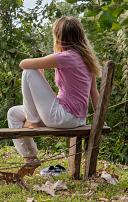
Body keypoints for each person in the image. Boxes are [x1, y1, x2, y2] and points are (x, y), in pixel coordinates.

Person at [7, 16, 101, 169]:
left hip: (62, 116)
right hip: (77, 119)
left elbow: (23, 64)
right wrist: (100, 119)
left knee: (28, 72)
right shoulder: (86, 58)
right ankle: (30, 159)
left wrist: (39, 69)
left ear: (59, 37)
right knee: (13, 113)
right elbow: (94, 92)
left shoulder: (66, 57)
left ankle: (32, 121)